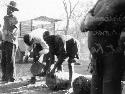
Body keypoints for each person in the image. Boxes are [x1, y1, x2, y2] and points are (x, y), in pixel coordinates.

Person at [80, 0, 125, 94]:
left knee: (109, 87)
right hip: (96, 58)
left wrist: (93, 21)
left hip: (113, 55)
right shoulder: (100, 1)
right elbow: (84, 25)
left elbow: (89, 23)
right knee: (95, 89)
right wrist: (89, 20)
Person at [1, 1, 19, 82]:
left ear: (13, 10)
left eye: (10, 8)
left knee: (10, 60)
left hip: (11, 42)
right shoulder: (5, 18)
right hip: (5, 41)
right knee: (3, 60)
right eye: (8, 8)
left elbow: (15, 28)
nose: (8, 9)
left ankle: (11, 78)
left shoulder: (14, 18)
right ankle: (5, 77)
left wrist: (8, 32)